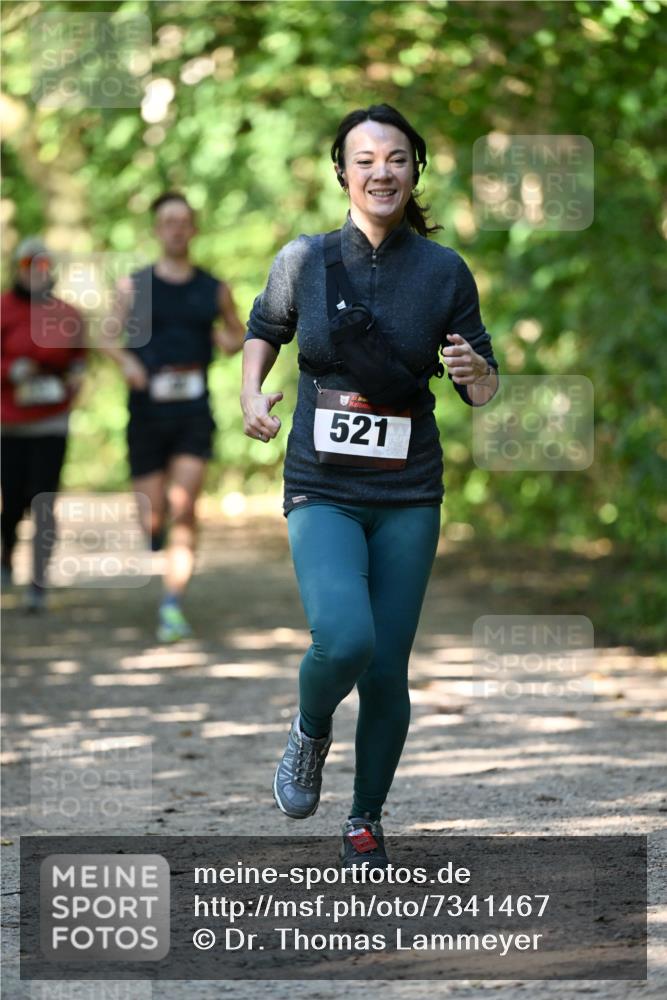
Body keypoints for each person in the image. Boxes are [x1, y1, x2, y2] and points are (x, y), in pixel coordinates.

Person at [241, 104, 500, 869]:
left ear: (414, 169)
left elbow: (481, 385)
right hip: (321, 484)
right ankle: (309, 729)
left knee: (387, 668)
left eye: (395, 158)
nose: (380, 171)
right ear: (341, 173)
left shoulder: (443, 271)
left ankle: (364, 817)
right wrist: (251, 394)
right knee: (345, 638)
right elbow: (264, 329)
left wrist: (476, 373)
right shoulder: (304, 259)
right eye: (364, 160)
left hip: (408, 490)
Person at [103, 192, 245, 642]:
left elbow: (238, 334)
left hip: (193, 411)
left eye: (184, 222)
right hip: (147, 411)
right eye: (168, 221)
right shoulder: (134, 286)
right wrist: (127, 362)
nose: (176, 229)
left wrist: (226, 342)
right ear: (156, 229)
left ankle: (172, 604)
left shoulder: (213, 288)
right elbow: (106, 337)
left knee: (184, 506)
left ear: (194, 229)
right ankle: (154, 530)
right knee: (152, 515)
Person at [1, 237, 86, 612]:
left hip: (51, 421)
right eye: (28, 266)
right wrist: (12, 369)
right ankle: (6, 553)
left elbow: (78, 357)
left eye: (44, 266)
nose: (36, 273)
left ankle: (39, 581)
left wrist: (76, 377)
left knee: (44, 501)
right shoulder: (3, 309)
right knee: (13, 500)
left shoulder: (68, 314)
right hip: (9, 423)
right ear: (17, 269)